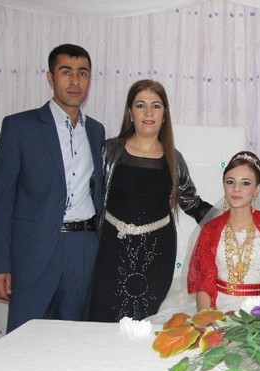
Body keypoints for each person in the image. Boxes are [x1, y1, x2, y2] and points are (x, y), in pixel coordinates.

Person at [0, 44, 105, 332]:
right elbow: (0, 201)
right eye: (66, 72)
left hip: (83, 249)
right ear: (51, 78)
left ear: (89, 79)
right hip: (34, 251)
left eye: (82, 73)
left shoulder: (96, 131)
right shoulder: (20, 127)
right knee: (25, 337)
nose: (75, 81)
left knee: (73, 337)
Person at [87, 79, 212, 322]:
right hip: (112, 251)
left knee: (145, 326)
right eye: (140, 105)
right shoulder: (108, 151)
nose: (148, 112)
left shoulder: (174, 159)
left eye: (156, 106)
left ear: (164, 114)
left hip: (157, 254)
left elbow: (191, 202)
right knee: (103, 322)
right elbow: (90, 196)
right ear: (130, 112)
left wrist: (228, 218)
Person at [188, 151, 260, 311]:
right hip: (219, 310)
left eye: (245, 183)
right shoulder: (211, 230)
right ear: (224, 185)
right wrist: (207, 320)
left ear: (257, 189)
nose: (236, 189)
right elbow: (204, 283)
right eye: (230, 182)